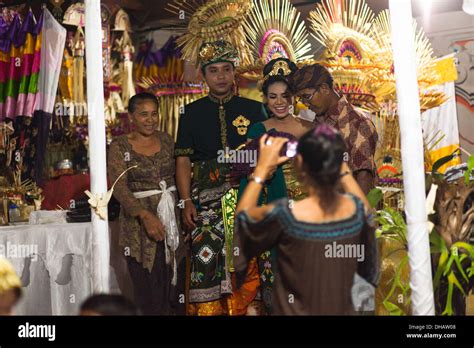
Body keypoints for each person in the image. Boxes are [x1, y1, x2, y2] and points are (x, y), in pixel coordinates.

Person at [233, 125, 379, 315]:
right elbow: (368, 215)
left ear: (299, 166)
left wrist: (260, 171)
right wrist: (340, 166)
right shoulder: (355, 211)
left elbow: (243, 219)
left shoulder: (288, 216)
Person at [175, 40, 266, 316]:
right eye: (213, 70)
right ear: (203, 75)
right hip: (204, 204)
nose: (221, 76)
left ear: (234, 71)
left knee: (249, 262)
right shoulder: (190, 113)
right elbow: (183, 160)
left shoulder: (254, 110)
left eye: (226, 69)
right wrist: (186, 201)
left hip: (247, 199)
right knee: (207, 261)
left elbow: (266, 155)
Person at [237, 57, 314, 313]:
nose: (280, 102)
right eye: (273, 96)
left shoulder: (311, 127)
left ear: (295, 97)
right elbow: (250, 177)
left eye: (285, 95)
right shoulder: (257, 130)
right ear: (265, 99)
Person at [108, 92, 186, 315]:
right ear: (132, 117)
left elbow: (180, 174)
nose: (150, 120)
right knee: (148, 287)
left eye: (154, 114)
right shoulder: (120, 146)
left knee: (175, 283)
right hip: (139, 229)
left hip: (173, 221)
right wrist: (145, 215)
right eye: (144, 115)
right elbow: (119, 186)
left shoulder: (167, 140)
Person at [289, 64, 378, 194]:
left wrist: (355, 213)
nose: (305, 104)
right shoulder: (317, 122)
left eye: (307, 97)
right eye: (301, 99)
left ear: (324, 88)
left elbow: (364, 177)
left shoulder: (357, 121)